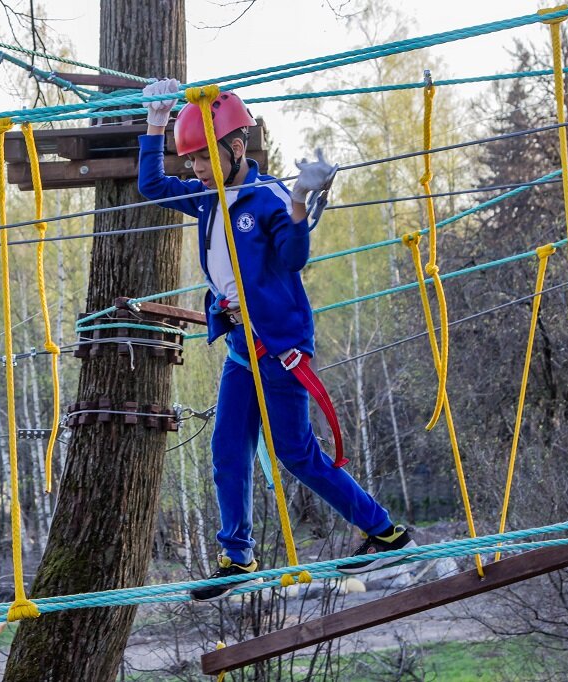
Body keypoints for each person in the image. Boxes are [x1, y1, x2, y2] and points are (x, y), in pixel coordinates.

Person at [138, 80, 414, 601]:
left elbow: (292, 259)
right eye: (190, 160)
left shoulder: (266, 200)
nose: (195, 169)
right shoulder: (206, 201)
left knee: (295, 452)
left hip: (279, 349)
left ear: (236, 149)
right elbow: (151, 185)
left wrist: (301, 201)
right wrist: (155, 124)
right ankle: (237, 555)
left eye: (202, 158)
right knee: (227, 450)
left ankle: (383, 530)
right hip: (242, 349)